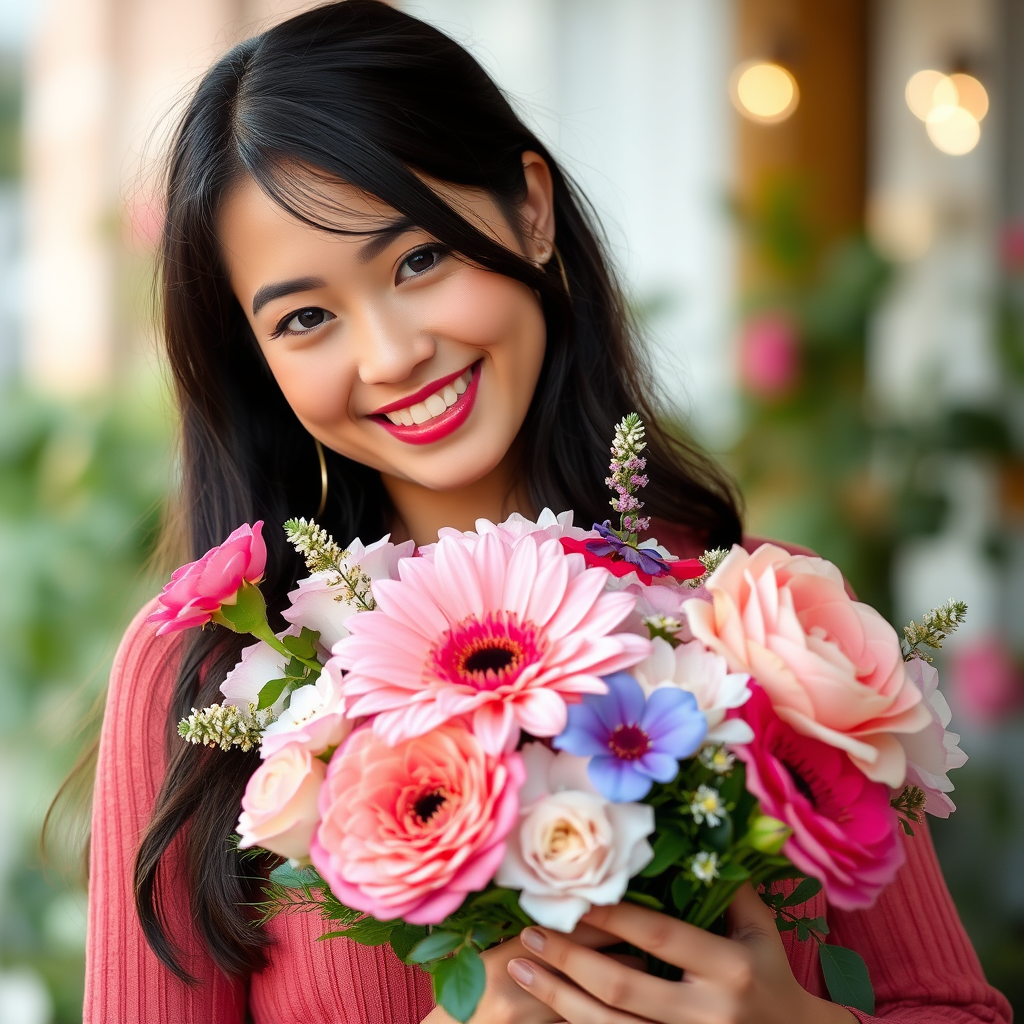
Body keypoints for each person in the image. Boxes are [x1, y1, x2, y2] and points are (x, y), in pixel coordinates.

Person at [83, 3, 1012, 1022]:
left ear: (529, 209)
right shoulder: (203, 677)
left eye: (419, 260)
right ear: (256, 359)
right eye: (306, 317)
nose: (392, 354)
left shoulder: (772, 616)